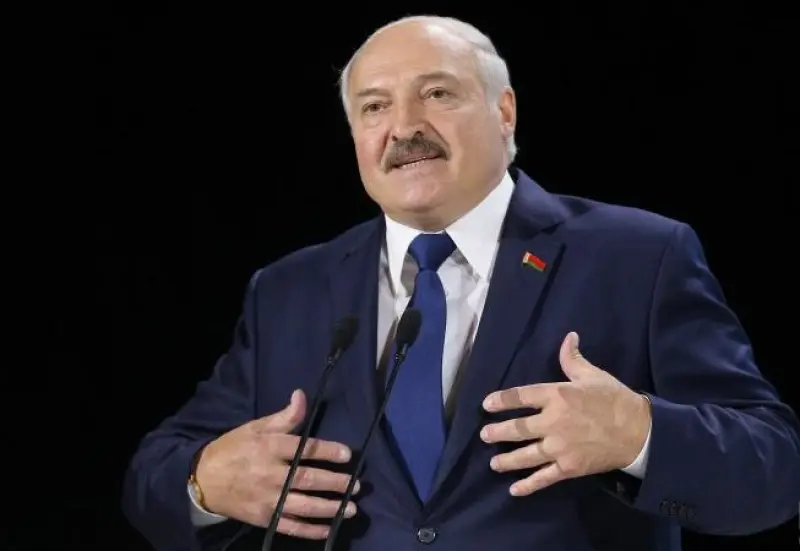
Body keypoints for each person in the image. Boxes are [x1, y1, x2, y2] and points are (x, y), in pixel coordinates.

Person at [121, 15, 800, 551]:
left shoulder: (638, 257)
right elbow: (152, 477)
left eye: (437, 94)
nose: (404, 127)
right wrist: (204, 482)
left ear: (505, 112)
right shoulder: (289, 291)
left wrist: (641, 436)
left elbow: (775, 468)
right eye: (374, 107)